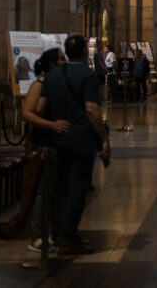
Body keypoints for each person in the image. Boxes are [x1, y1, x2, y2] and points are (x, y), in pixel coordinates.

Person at [41, 34, 110, 255]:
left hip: (57, 137)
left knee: (60, 187)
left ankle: (59, 232)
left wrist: (51, 124)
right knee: (78, 187)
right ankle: (68, 236)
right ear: (84, 52)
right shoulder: (88, 75)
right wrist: (104, 138)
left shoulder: (51, 76)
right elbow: (91, 109)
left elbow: (40, 108)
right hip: (81, 139)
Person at [21, 47, 68, 253]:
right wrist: (52, 125)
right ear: (52, 64)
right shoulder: (40, 84)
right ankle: (37, 236)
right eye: (61, 59)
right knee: (44, 191)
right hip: (43, 143)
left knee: (57, 190)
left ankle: (57, 233)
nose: (65, 61)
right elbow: (29, 113)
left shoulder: (56, 83)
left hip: (58, 143)